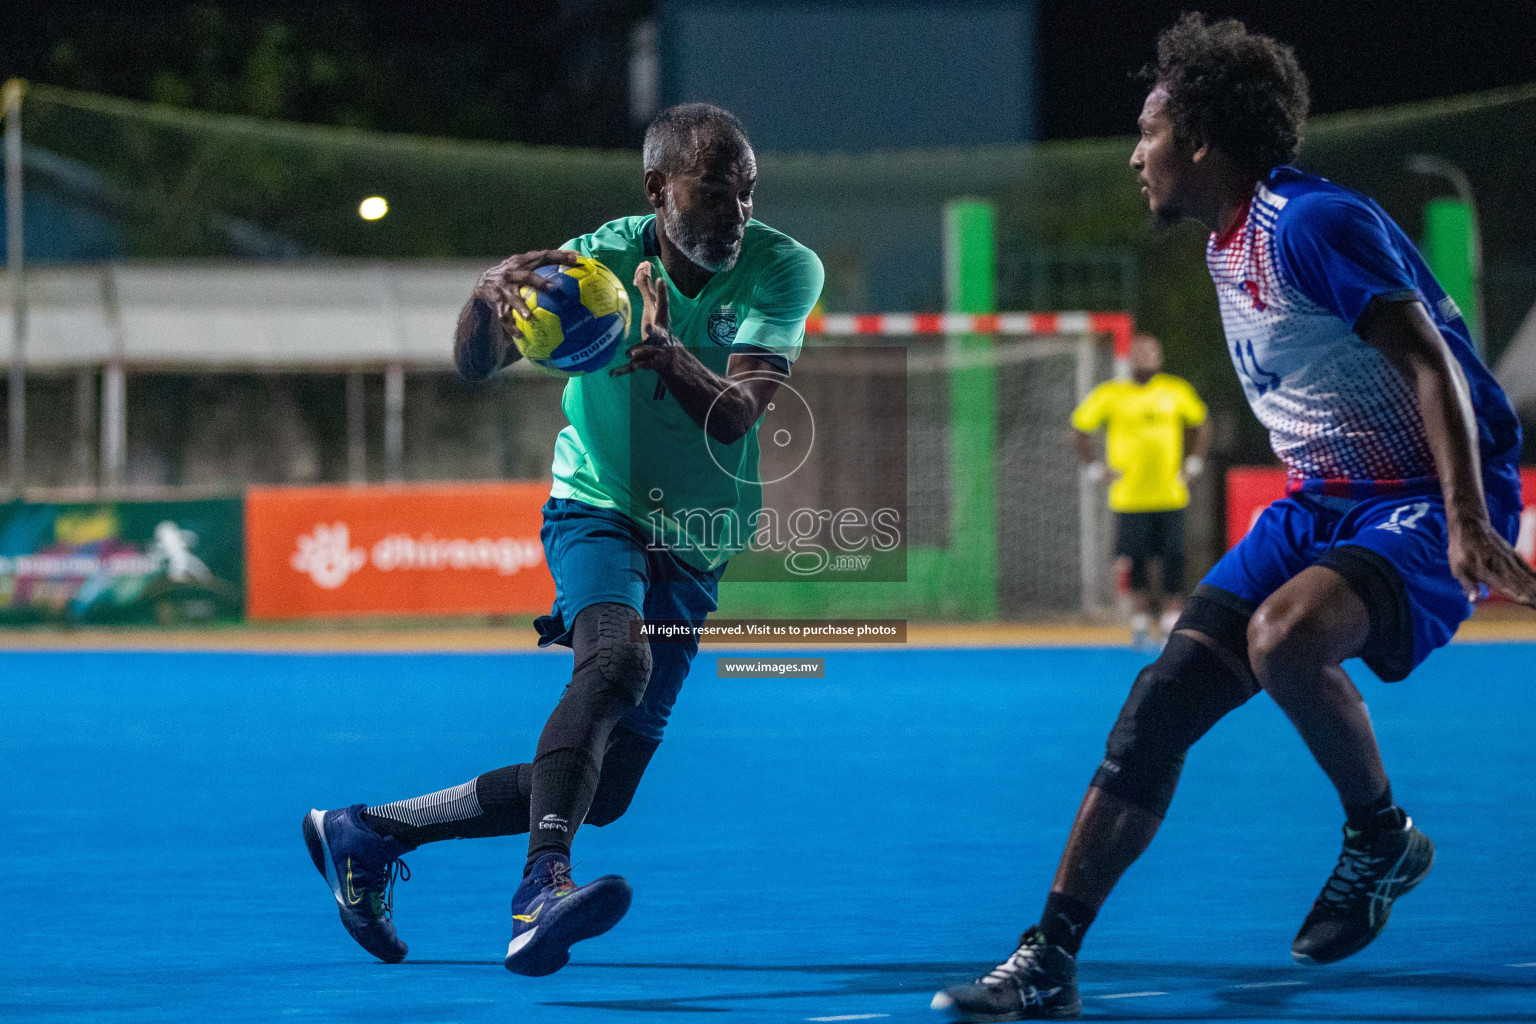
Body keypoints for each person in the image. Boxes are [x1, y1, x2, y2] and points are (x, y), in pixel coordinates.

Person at [934, 15, 1536, 1021]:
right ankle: (1048, 959)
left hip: (1425, 493)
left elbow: (1428, 362)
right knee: (1155, 709)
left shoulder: (1309, 223)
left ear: (1202, 139)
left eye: (1149, 131)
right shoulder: (1227, 242)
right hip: (1324, 503)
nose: (1134, 152)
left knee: (1285, 639)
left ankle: (1379, 838)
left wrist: (1471, 519)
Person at [301, 103, 823, 977]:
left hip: (697, 538)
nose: (735, 212)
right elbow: (476, 363)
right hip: (597, 507)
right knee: (615, 666)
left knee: (608, 791)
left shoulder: (783, 268)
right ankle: (541, 890)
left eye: (747, 191)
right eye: (713, 191)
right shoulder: (598, 264)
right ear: (658, 190)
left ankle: (369, 832)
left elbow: (735, 418)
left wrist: (665, 355)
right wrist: (485, 298)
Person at [1072, 333, 1210, 646]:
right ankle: (1139, 622)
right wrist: (1095, 468)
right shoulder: (1110, 394)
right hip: (1129, 497)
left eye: (1150, 352)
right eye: (1138, 352)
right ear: (1128, 358)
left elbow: (1201, 423)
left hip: (1170, 494)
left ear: (1159, 357)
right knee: (1135, 559)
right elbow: (1080, 428)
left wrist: (1194, 463)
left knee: (1173, 558)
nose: (1144, 357)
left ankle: (1171, 620)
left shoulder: (1176, 391)